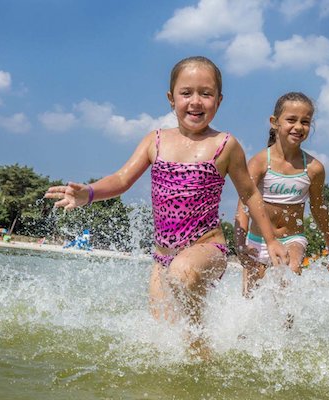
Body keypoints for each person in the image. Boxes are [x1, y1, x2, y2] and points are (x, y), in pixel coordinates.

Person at [45, 56, 288, 356]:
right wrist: (89, 193)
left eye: (206, 93)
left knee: (183, 276)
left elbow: (250, 194)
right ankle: (204, 358)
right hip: (162, 259)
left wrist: (271, 239)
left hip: (207, 250)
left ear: (219, 101)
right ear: (171, 99)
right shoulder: (155, 141)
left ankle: (201, 345)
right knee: (163, 344)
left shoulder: (225, 145)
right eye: (187, 93)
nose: (196, 101)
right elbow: (122, 178)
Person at [234, 92, 329, 296]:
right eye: (291, 120)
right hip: (258, 240)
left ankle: (288, 328)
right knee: (250, 297)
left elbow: (318, 208)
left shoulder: (314, 168)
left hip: (293, 239)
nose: (299, 127)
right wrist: (240, 244)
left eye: (305, 122)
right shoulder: (259, 162)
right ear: (275, 122)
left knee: (288, 280)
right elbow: (244, 206)